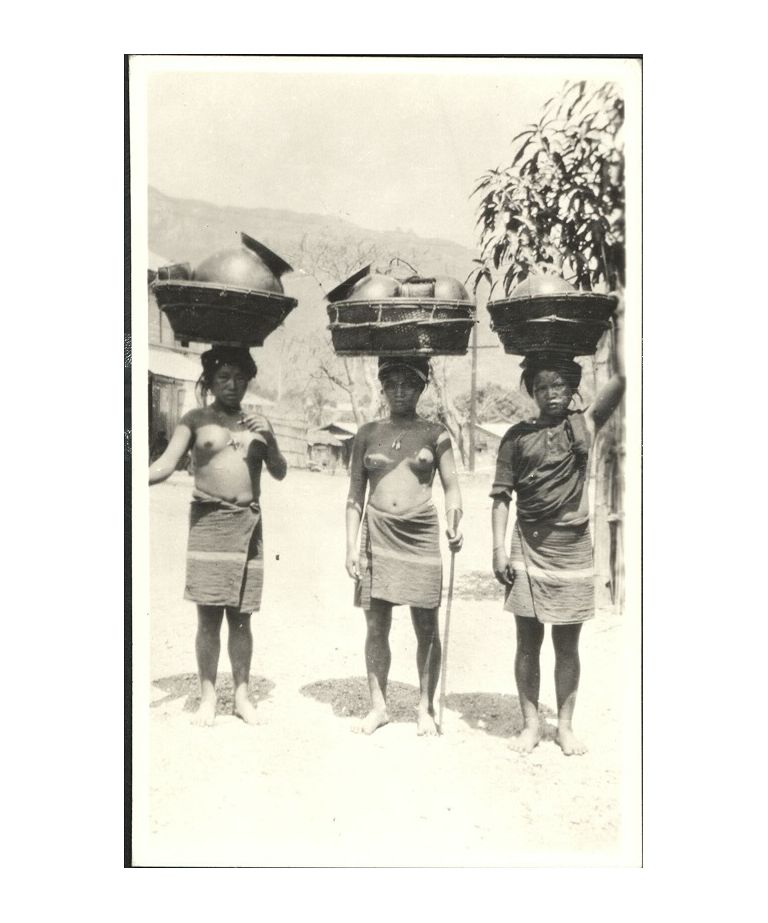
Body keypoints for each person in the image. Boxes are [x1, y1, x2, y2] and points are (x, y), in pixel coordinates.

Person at [490, 302, 625, 756]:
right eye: (542, 386)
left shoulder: (582, 427)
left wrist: (624, 335)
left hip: (572, 548)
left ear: (572, 387)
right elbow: (501, 497)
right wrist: (498, 549)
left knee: (567, 645)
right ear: (531, 390)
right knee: (527, 642)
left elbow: (620, 384)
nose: (551, 393)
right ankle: (531, 724)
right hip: (527, 546)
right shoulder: (515, 438)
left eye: (560, 384)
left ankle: (564, 727)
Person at [149, 345, 287, 727]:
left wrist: (270, 440)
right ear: (209, 381)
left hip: (248, 526)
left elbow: (279, 471)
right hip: (209, 525)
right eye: (223, 377)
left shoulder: (257, 424)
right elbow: (165, 464)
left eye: (240, 377)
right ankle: (207, 697)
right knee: (208, 618)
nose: (232, 384)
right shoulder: (195, 420)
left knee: (242, 620)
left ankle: (242, 696)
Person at [345, 356, 463, 736]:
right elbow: (355, 495)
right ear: (382, 387)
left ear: (421, 388)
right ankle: (378, 707)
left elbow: (452, 487)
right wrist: (350, 545)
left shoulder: (435, 433)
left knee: (426, 625)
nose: (400, 392)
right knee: (376, 624)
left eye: (409, 384)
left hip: (420, 534)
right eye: (392, 384)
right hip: (376, 533)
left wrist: (454, 521)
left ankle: (425, 707)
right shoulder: (367, 433)